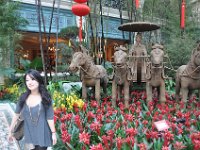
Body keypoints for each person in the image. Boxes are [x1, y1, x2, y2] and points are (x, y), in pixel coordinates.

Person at [8, 69, 57, 150]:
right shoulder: (23, 97)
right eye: (27, 80)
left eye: (33, 79)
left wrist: (53, 133)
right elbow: (16, 115)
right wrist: (10, 131)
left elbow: (50, 117)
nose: (30, 82)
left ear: (38, 80)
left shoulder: (45, 98)